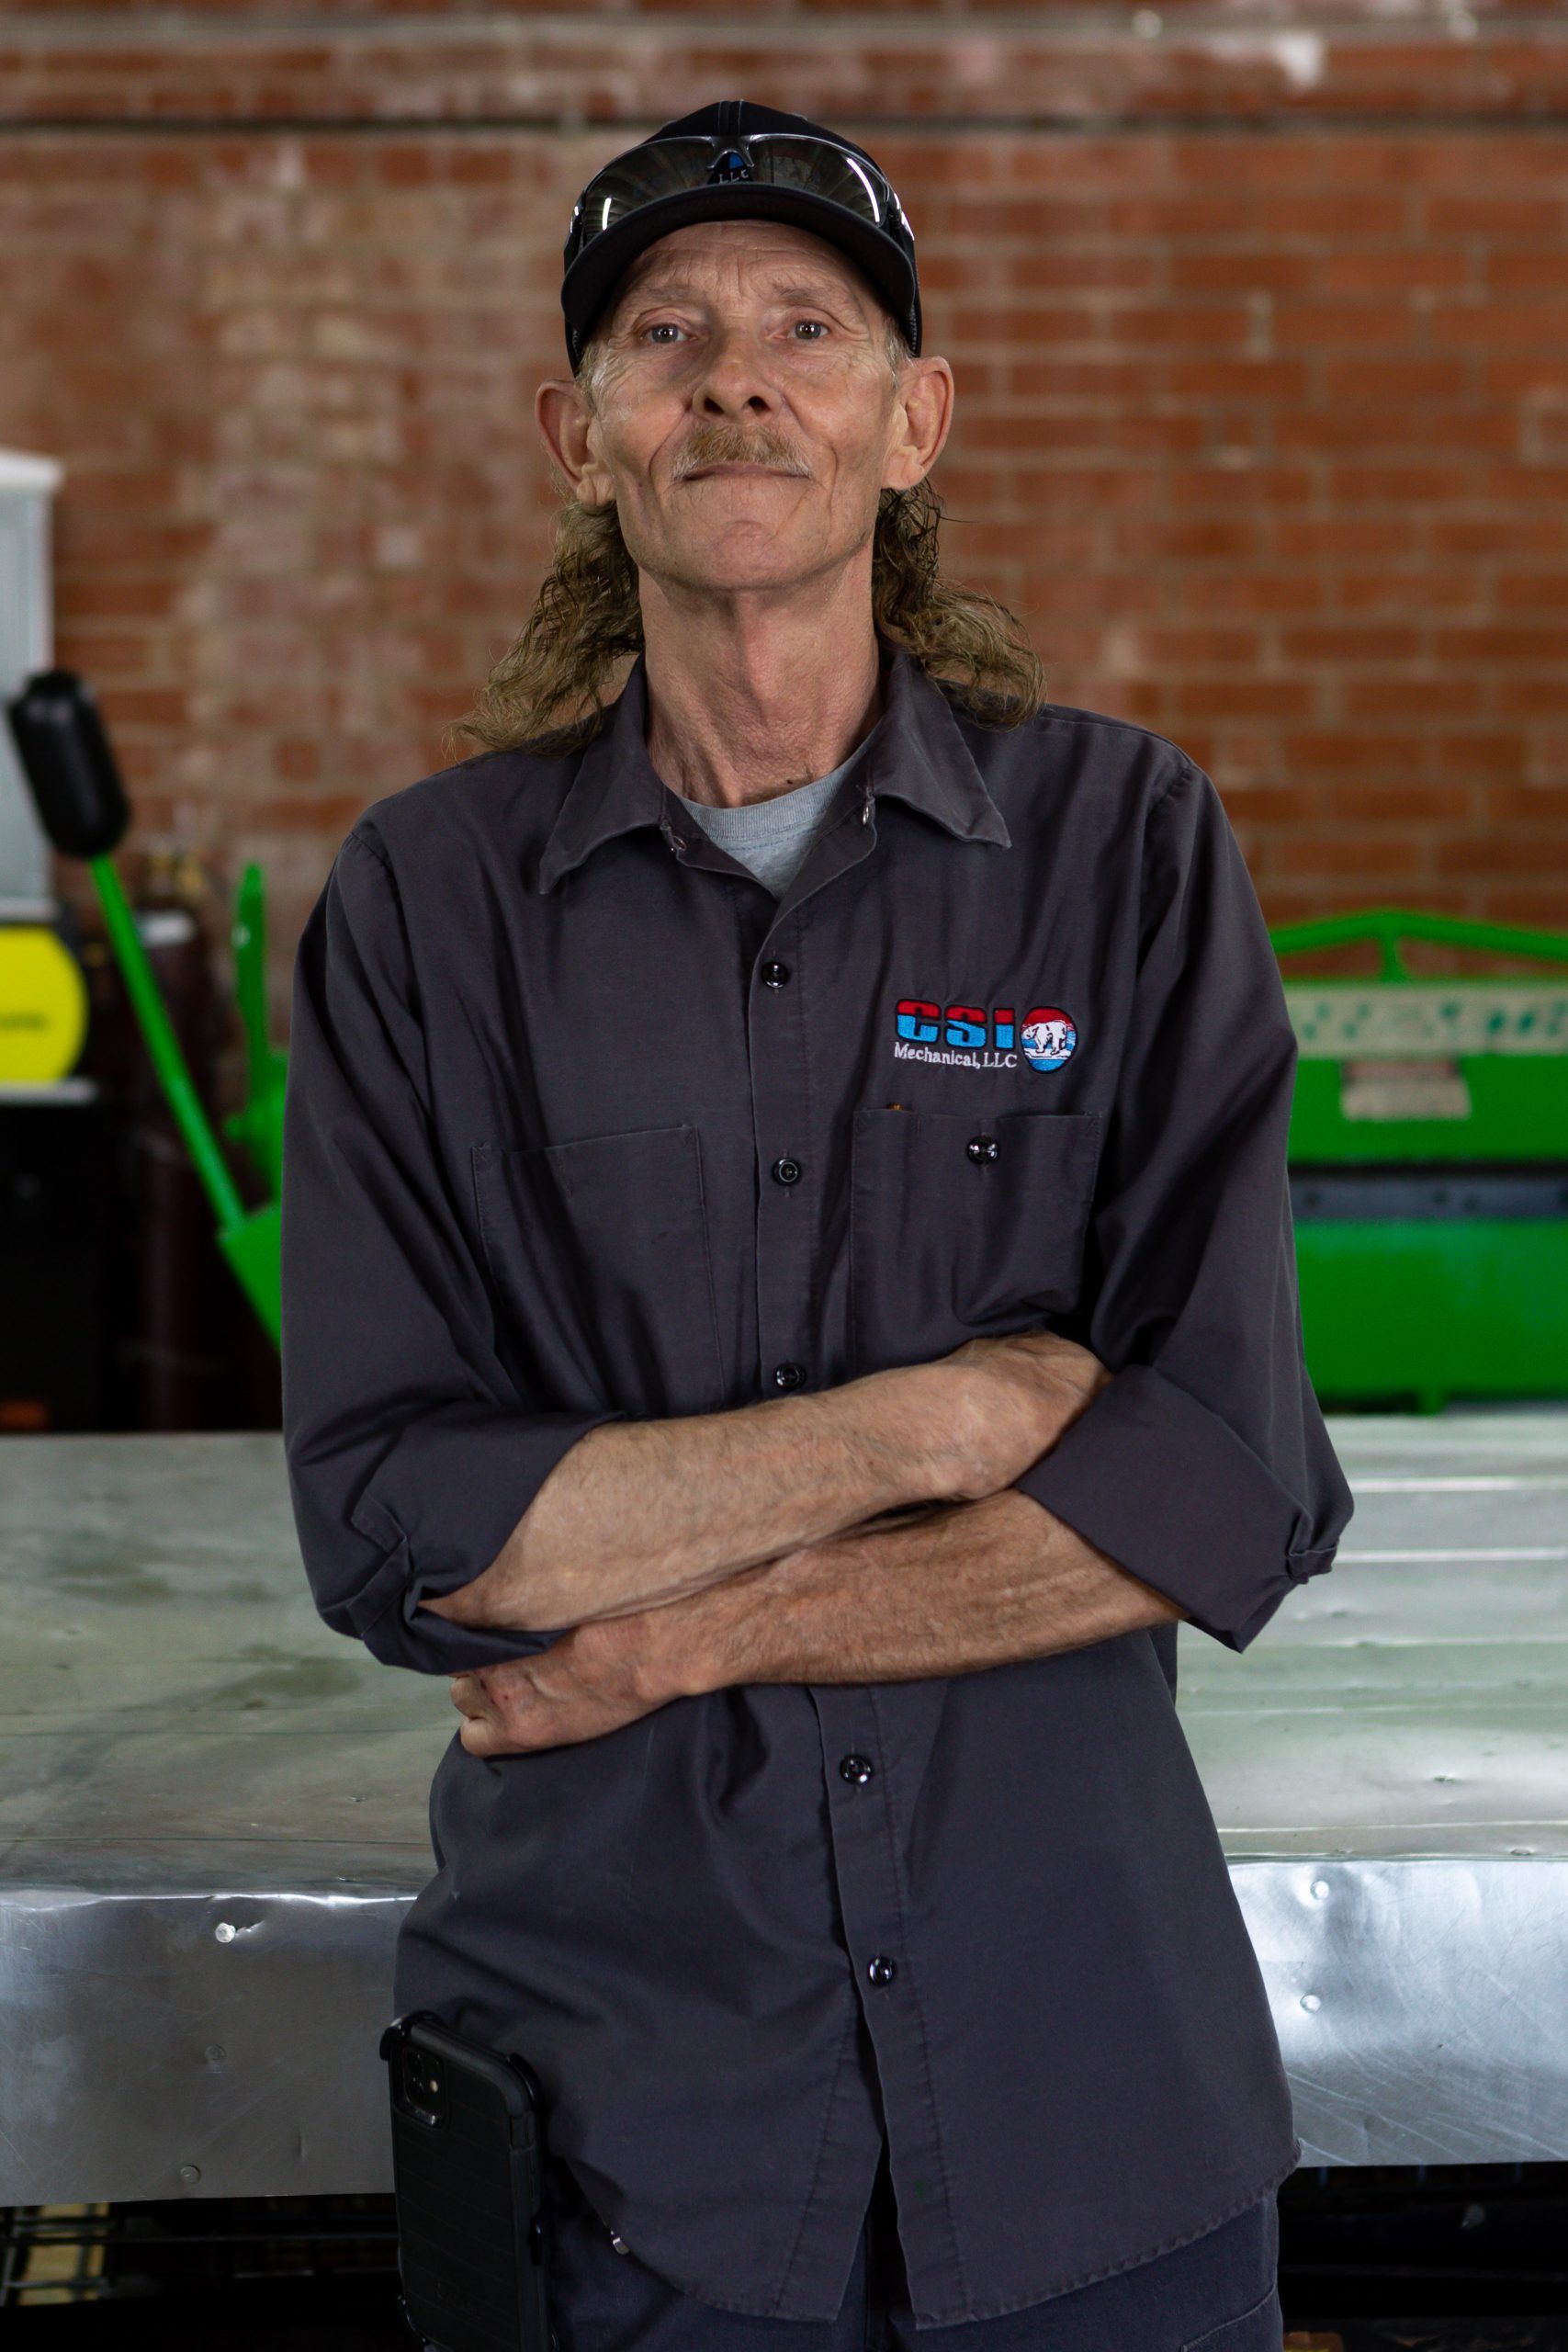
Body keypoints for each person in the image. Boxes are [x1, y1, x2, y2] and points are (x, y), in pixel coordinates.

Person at [281, 96, 1353, 2351]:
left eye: (805, 325)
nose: (732, 375)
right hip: (625, 2124)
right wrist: (946, 1412)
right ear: (581, 438)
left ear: (908, 418)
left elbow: (1210, 1490)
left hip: (1086, 2095)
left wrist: (676, 1627)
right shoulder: (425, 905)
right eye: (662, 335)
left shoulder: (1122, 846)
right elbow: (403, 1525)